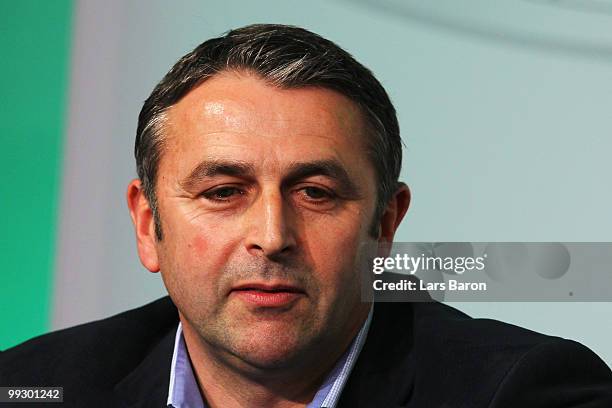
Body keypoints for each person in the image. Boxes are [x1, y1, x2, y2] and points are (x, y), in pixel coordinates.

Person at [1, 24, 611, 408]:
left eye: (316, 193)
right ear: (147, 223)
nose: (271, 237)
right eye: (222, 192)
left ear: (384, 226)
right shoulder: (33, 385)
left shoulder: (526, 392)